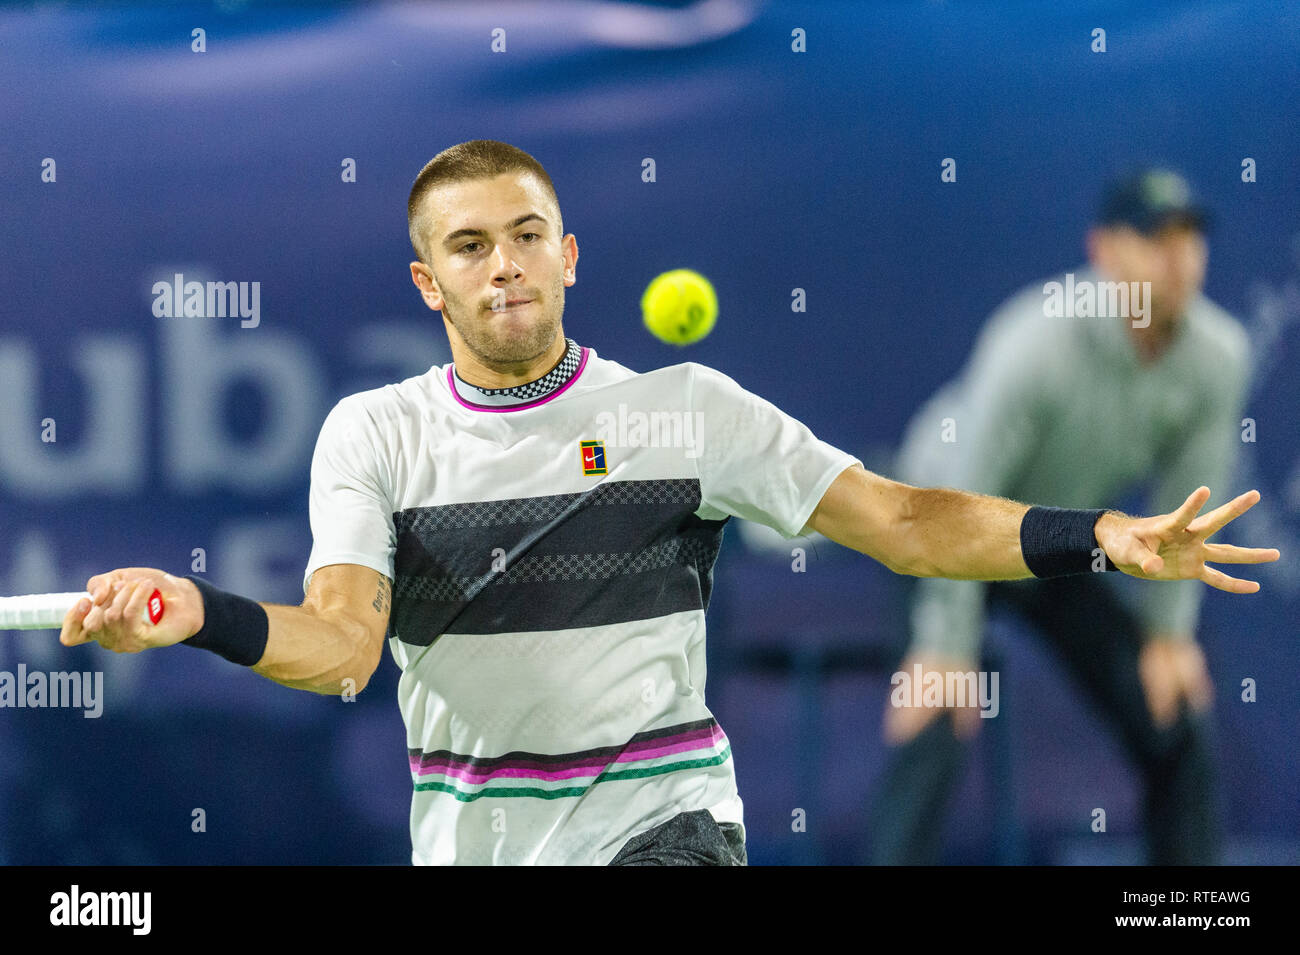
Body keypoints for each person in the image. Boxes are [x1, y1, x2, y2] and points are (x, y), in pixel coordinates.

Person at [58, 144, 1277, 866]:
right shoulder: (373, 433)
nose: (507, 264)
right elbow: (339, 650)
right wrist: (196, 611)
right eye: (473, 246)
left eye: (528, 234)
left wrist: (1099, 538)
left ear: (571, 254)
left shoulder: (683, 409)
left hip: (667, 824)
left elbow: (904, 521)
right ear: (430, 282)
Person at [869, 168, 1252, 865]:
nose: (1179, 256)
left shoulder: (1218, 357)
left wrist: (1168, 633)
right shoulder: (1035, 341)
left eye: (1191, 237)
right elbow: (966, 492)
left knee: (1174, 712)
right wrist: (944, 648)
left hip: (1059, 538)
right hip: (943, 521)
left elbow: (1185, 510)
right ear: (1103, 250)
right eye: (1155, 237)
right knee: (939, 706)